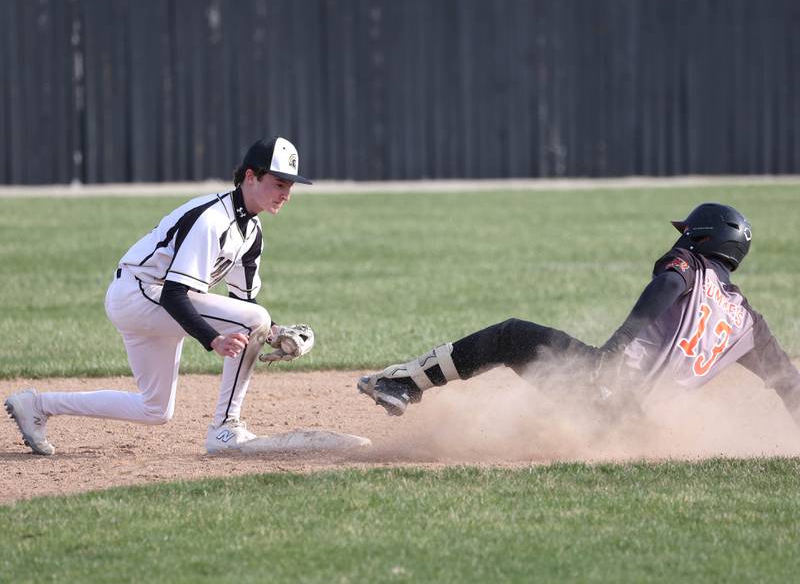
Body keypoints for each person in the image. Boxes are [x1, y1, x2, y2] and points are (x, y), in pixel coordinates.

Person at [358, 203, 800, 429]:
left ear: (701, 238)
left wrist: (615, 347)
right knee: (545, 397)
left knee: (511, 336)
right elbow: (788, 382)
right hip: (639, 424)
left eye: (687, 233)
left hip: (607, 385)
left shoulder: (690, 264)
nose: (681, 240)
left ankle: (401, 383)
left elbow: (667, 286)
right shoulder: (748, 322)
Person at [5, 136, 316, 455]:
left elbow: (243, 305)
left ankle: (37, 405)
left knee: (154, 409)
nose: (286, 194)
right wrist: (213, 338)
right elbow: (174, 294)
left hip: (150, 301)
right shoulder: (212, 219)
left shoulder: (251, 233)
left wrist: (279, 334)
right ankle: (225, 428)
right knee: (255, 321)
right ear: (251, 177)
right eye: (280, 183)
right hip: (139, 293)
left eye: (290, 186)